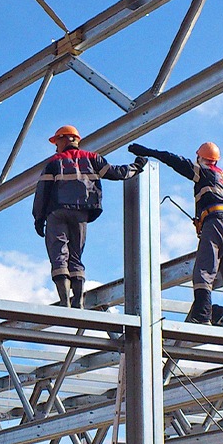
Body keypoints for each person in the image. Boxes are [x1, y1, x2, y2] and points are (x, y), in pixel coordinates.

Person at [128, 141, 223, 329]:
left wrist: (149, 152)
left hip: (215, 223)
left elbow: (175, 161)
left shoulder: (203, 172)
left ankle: (202, 316)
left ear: (201, 157)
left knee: (203, 271)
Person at [33, 125, 146, 307]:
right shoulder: (92, 159)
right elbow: (117, 172)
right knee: (76, 256)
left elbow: (42, 192)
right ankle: (78, 300)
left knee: (58, 254)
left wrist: (38, 218)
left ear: (64, 139)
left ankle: (64, 301)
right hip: (81, 214)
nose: (56, 147)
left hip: (57, 212)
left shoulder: (54, 162)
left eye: (57, 142)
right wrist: (136, 167)